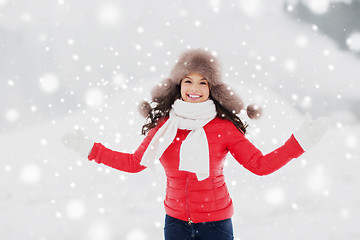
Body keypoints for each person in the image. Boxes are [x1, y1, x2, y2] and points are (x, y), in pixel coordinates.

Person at [62, 49, 330, 240]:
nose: (195, 87)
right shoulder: (166, 126)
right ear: (178, 85)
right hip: (175, 224)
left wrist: (300, 142)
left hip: (217, 226)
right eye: (188, 80)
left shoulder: (224, 129)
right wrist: (89, 148)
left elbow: (260, 165)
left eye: (203, 82)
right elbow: (134, 164)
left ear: (212, 88)